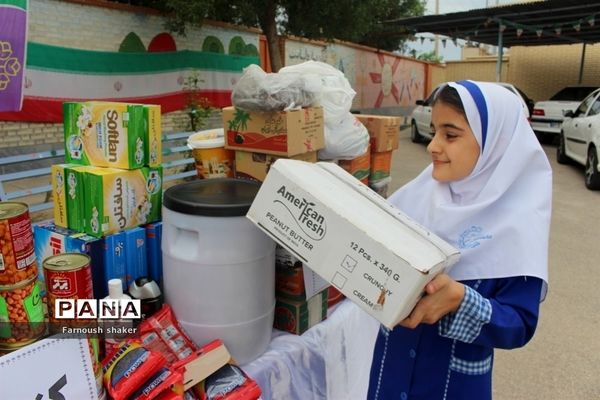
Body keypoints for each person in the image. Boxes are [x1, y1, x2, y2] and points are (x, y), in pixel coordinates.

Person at [366, 80, 552, 400]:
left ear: (496, 143)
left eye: (450, 135)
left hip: (451, 387)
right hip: (390, 373)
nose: (433, 145)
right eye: (435, 130)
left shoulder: (517, 226)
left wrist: (462, 300)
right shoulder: (412, 201)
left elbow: (519, 323)